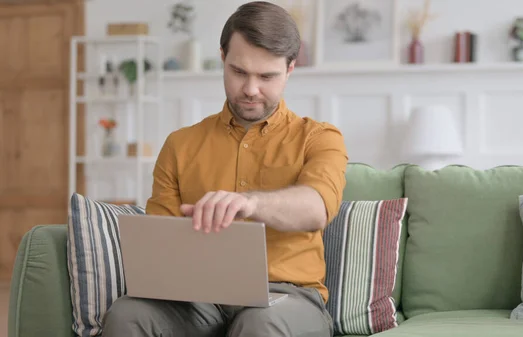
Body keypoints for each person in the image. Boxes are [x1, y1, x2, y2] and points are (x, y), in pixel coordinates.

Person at [102, 2, 348, 337]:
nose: (250, 89)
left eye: (267, 76)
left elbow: (317, 207)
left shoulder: (319, 138)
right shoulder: (180, 145)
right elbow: (159, 245)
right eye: (239, 72)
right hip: (199, 302)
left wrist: (250, 203)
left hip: (288, 299)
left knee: (258, 323)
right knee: (127, 314)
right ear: (222, 58)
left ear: (290, 68)